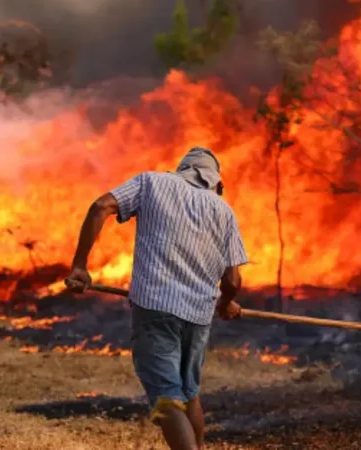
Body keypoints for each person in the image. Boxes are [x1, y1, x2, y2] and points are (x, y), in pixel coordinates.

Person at [64, 147, 248, 450]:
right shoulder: (223, 210)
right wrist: (226, 302)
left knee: (166, 396)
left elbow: (101, 206)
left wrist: (80, 266)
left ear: (183, 170)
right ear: (215, 181)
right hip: (198, 316)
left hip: (156, 308)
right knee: (189, 394)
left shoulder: (152, 183)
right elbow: (232, 281)